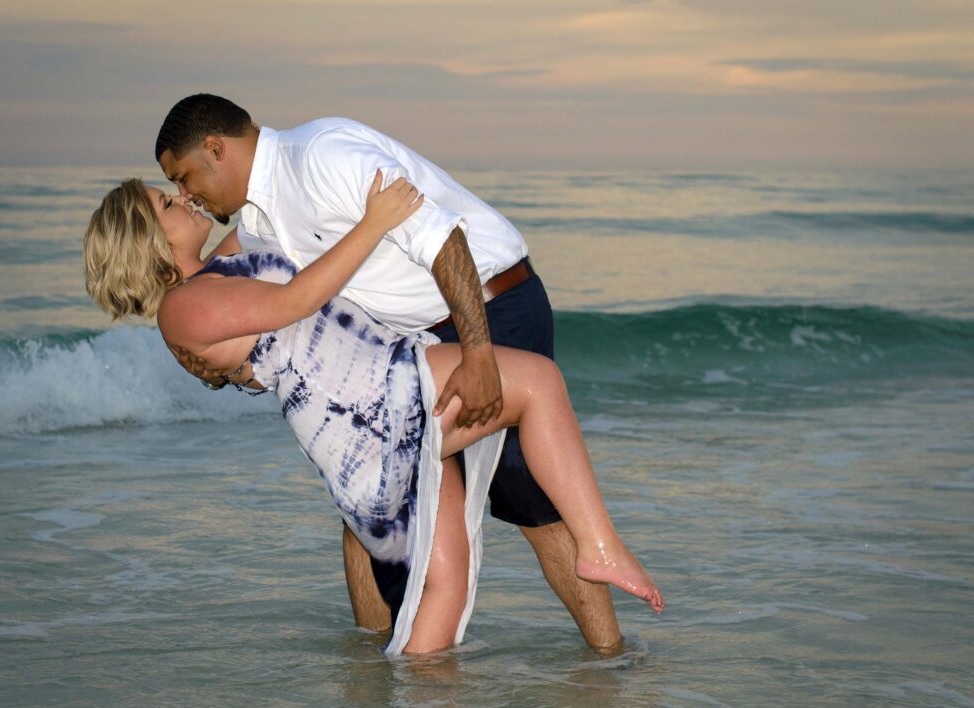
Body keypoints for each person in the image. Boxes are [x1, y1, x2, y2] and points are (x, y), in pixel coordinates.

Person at [82, 174, 665, 655]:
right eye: (166, 201)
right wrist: (375, 222)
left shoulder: (215, 272)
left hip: (368, 419)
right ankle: (599, 545)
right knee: (538, 382)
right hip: (375, 405)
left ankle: (422, 707)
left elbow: (265, 209)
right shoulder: (184, 307)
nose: (181, 197)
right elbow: (296, 299)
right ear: (151, 242)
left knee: (447, 587)